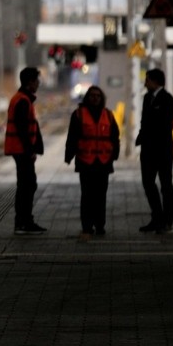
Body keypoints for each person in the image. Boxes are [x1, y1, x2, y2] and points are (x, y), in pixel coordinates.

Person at [64, 85, 119, 235]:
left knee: (101, 196)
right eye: (92, 95)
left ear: (102, 99)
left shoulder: (108, 115)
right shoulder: (78, 114)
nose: (95, 98)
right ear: (87, 97)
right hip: (86, 161)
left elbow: (115, 137)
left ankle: (100, 225)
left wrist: (115, 155)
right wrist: (68, 156)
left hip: (103, 161)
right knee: (87, 195)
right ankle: (87, 226)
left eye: (98, 96)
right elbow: (72, 137)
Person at [5, 66, 47, 234]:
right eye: (37, 81)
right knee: (26, 185)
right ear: (30, 83)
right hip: (21, 149)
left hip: (21, 149)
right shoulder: (22, 100)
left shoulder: (23, 99)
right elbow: (22, 129)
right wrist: (30, 150)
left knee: (28, 184)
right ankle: (22, 222)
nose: (38, 84)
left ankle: (25, 221)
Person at [135, 68, 173, 234]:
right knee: (148, 183)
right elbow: (145, 121)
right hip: (148, 150)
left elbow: (166, 125)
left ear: (155, 81)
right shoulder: (147, 98)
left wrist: (149, 134)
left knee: (165, 185)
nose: (145, 83)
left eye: (147, 80)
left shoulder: (167, 99)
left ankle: (167, 221)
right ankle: (157, 217)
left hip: (163, 149)